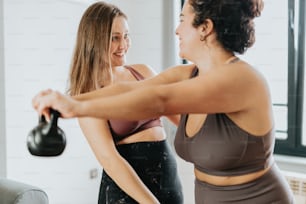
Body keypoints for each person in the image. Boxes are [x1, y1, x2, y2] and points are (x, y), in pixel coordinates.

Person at [32, 0, 295, 203]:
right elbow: (129, 90)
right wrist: (65, 100)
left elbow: (158, 100)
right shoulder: (189, 74)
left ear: (205, 28)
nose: (176, 28)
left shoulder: (241, 79)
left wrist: (76, 107)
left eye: (182, 19)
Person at [57, 2, 183, 204]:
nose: (123, 45)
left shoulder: (143, 72)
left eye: (126, 36)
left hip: (168, 182)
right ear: (95, 40)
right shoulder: (89, 92)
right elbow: (110, 159)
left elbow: (182, 119)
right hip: (126, 193)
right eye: (115, 38)